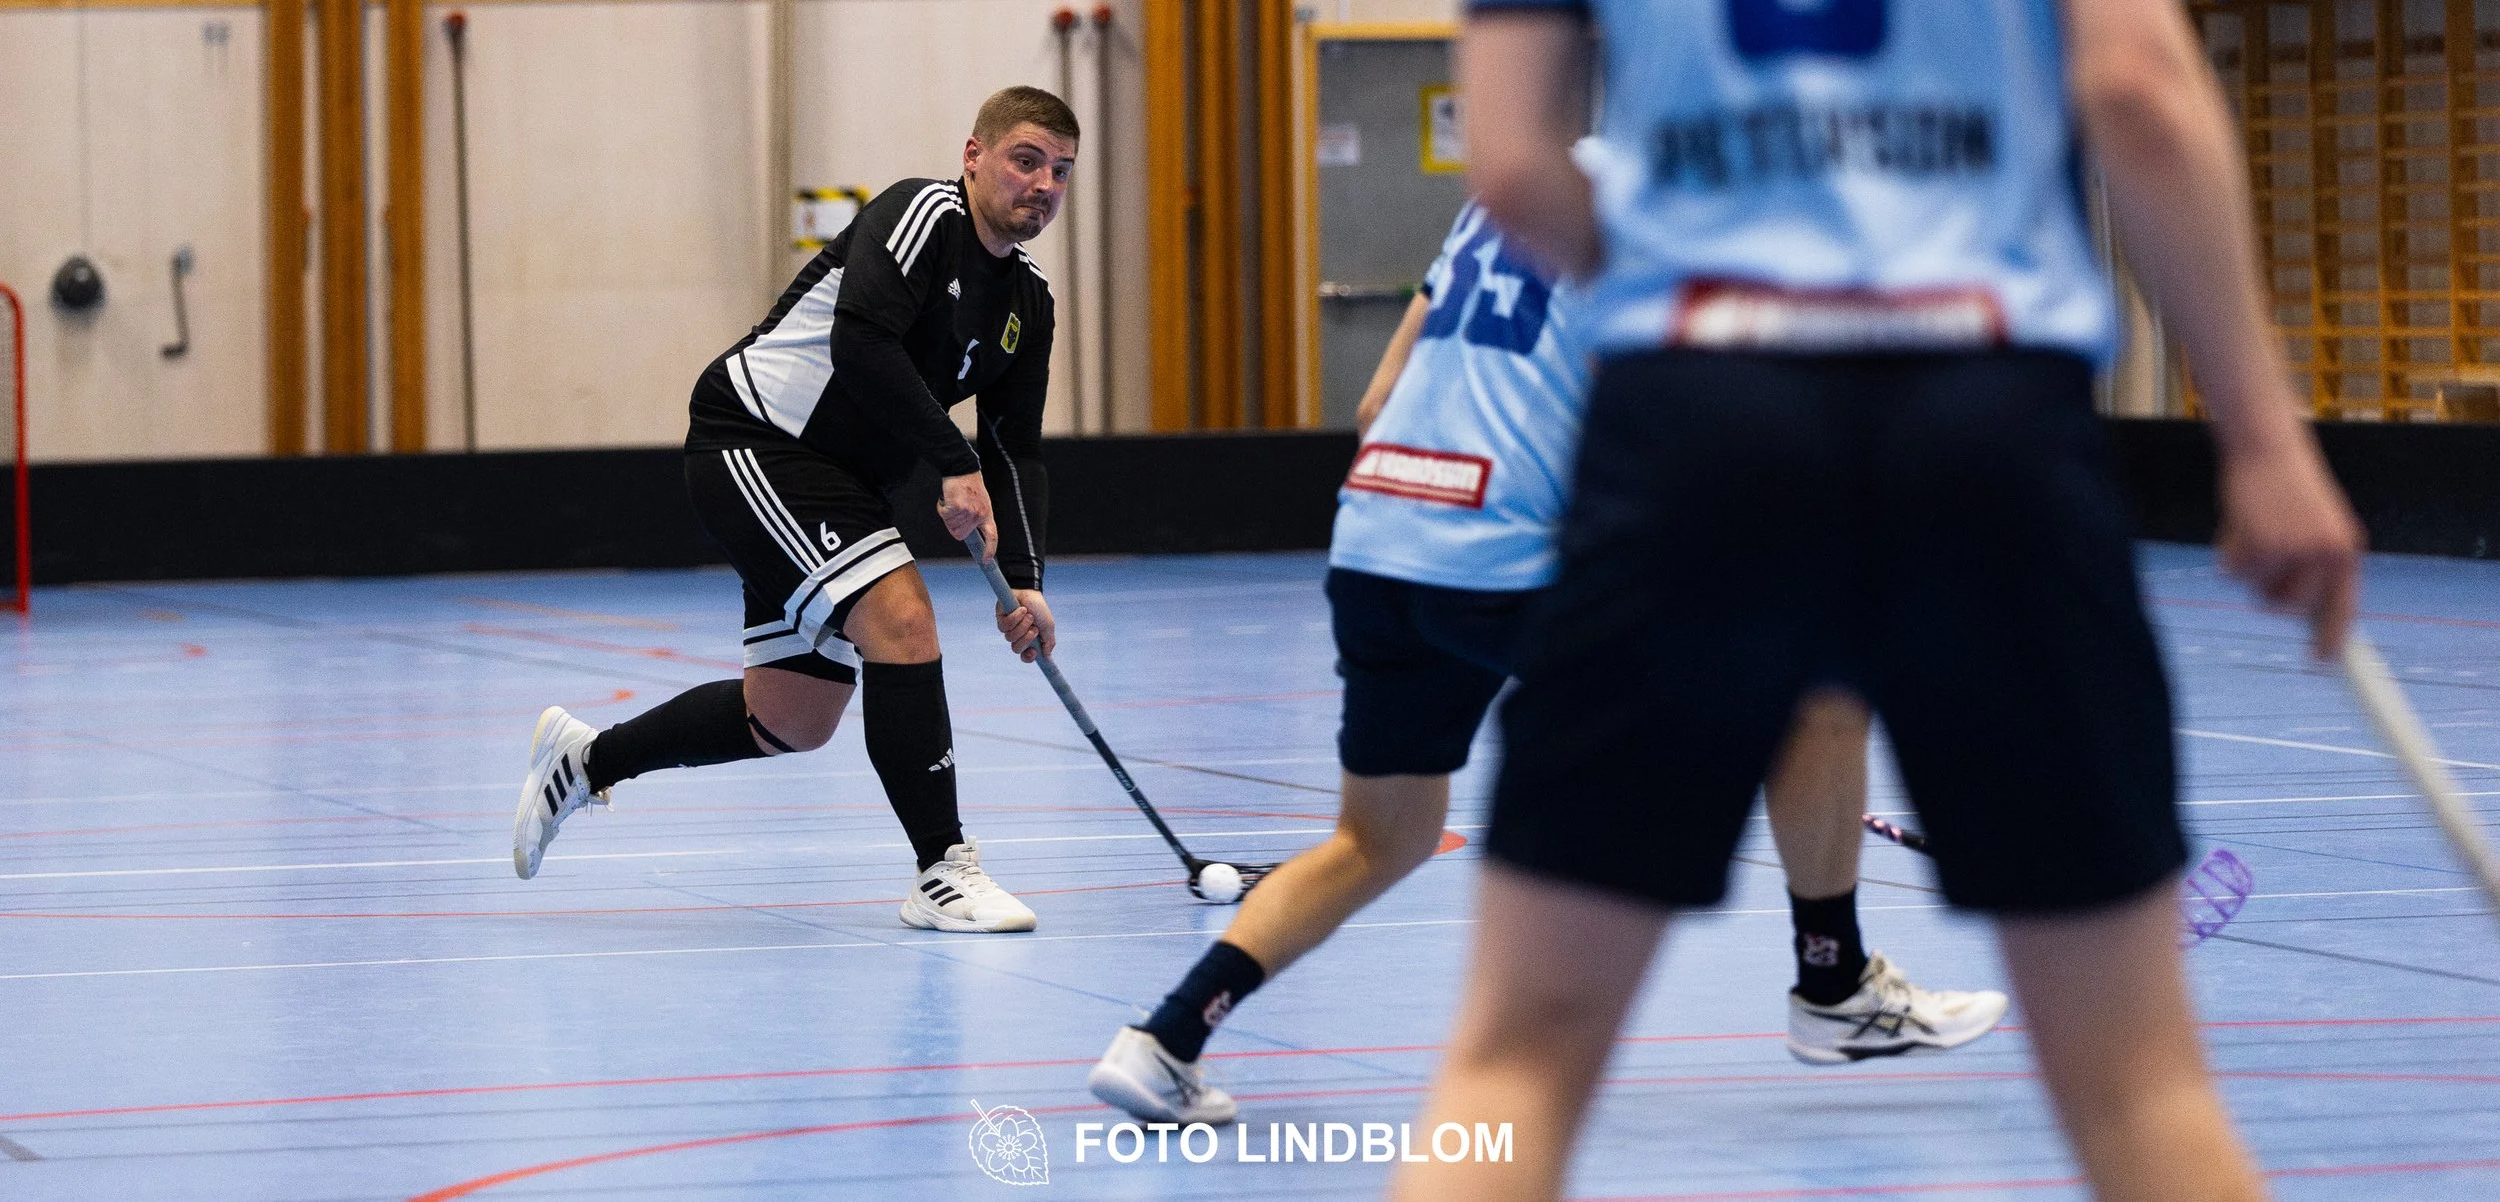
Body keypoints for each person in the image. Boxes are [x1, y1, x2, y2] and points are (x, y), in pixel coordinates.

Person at [1397, 0, 2364, 1199]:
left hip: (1697, 423)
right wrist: (2266, 436)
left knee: (1509, 1068)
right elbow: (2135, 82)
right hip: (1979, 413)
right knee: (2140, 1090)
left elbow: (1508, 160)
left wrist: (1704, 296)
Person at [1086, 198, 2006, 1126]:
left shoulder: (1499, 199)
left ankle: (1163, 1039)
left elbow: (1375, 404)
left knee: (1379, 839)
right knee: (1817, 698)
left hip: (1378, 538)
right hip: (1497, 555)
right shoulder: (1669, 206)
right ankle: (1833, 983)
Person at [509, 85, 1079, 935]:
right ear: (975, 156)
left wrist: (1028, 581)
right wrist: (951, 463)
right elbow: (862, 342)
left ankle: (587, 761)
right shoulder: (922, 213)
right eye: (1025, 159)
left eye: (1061, 171)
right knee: (902, 617)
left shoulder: (1027, 305)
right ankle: (942, 870)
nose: (1042, 184)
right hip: (757, 438)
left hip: (839, 479)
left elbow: (1015, 447)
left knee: (789, 716)